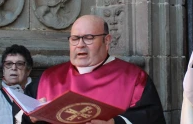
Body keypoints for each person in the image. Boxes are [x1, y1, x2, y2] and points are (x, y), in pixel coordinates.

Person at [22, 15, 166, 124]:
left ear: (107, 41)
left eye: (88, 38)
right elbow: (22, 114)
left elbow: (151, 117)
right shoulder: (48, 78)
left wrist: (115, 122)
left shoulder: (134, 78)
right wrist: (30, 118)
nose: (80, 45)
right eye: (75, 38)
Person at [0, 44, 33, 123]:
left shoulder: (40, 97)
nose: (13, 68)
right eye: (9, 64)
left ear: (28, 70)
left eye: (19, 64)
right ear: (3, 70)